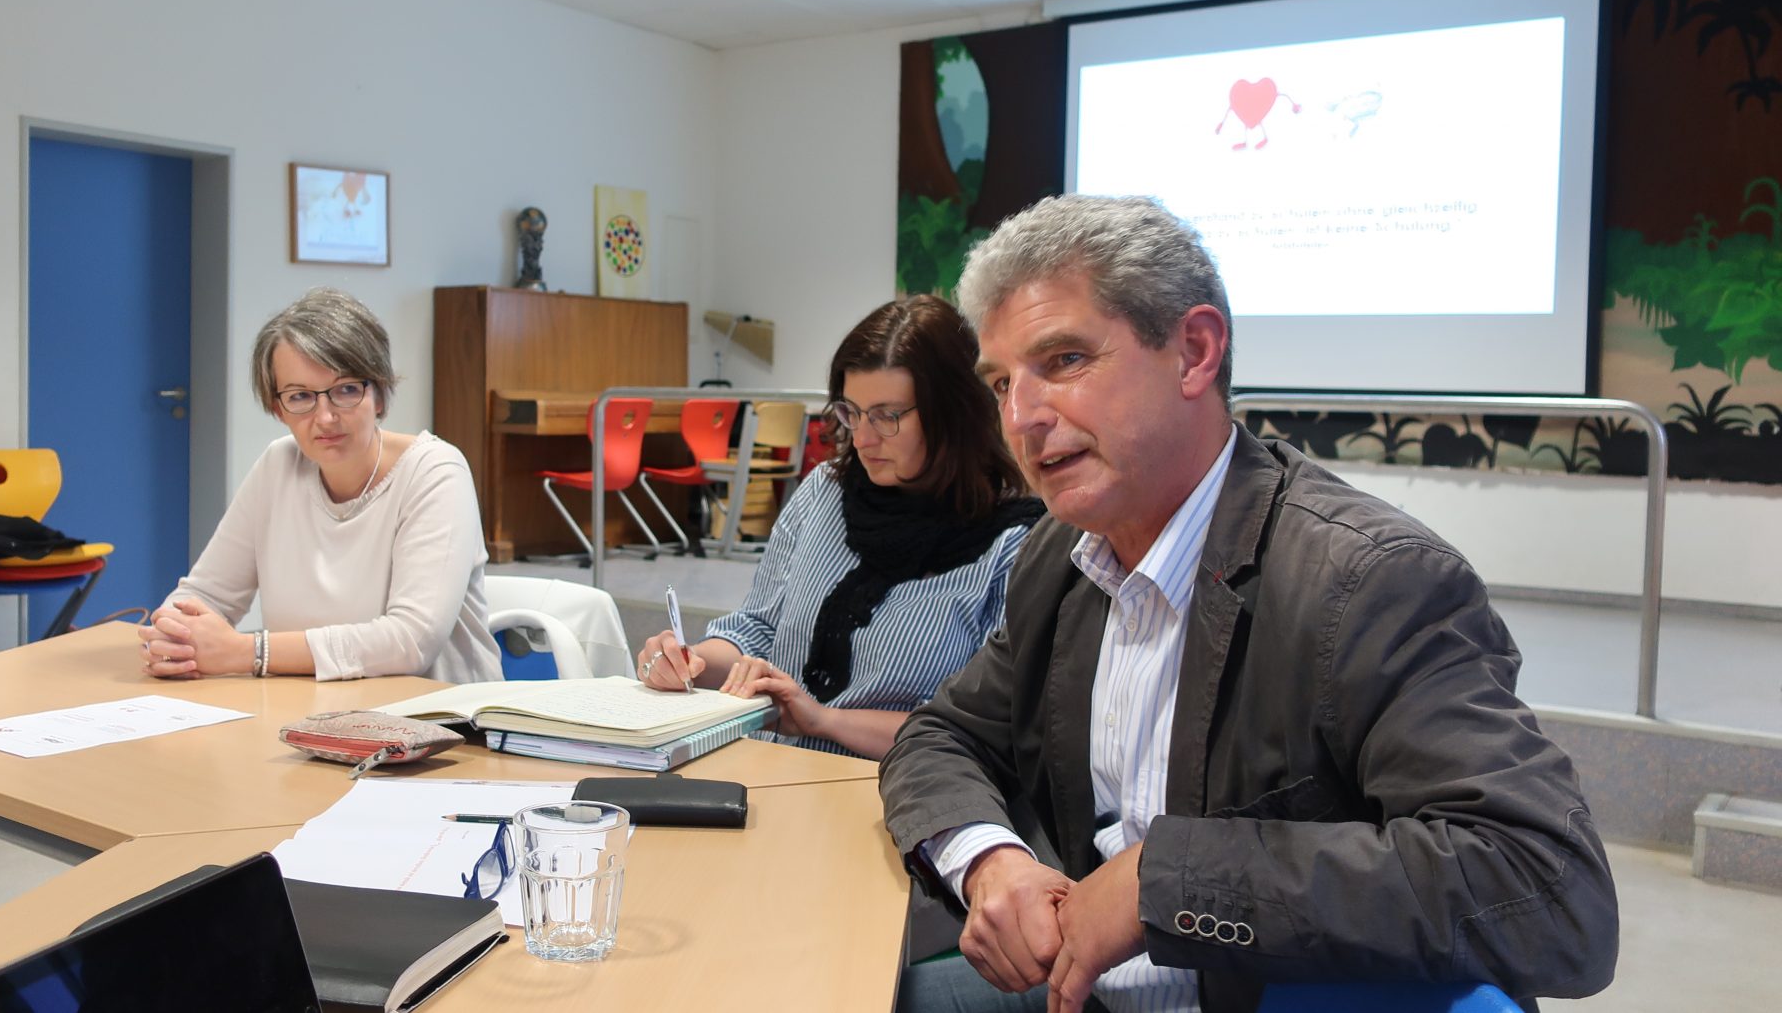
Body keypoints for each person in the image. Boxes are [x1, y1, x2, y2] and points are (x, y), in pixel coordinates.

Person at [881, 196, 1618, 1013]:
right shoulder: (1061, 555)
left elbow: (1551, 892)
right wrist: (991, 861)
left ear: (1194, 352)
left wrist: (1168, 882)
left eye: (1064, 360)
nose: (1020, 418)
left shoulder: (1369, 580)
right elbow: (941, 735)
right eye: (1001, 383)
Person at [636, 295, 1043, 759]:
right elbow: (758, 629)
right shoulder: (826, 490)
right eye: (851, 412)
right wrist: (689, 661)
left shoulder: (1015, 544)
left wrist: (823, 720)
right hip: (774, 769)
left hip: (897, 788)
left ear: (954, 414)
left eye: (887, 417)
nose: (863, 438)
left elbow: (989, 730)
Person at [139, 288, 502, 683]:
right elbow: (206, 594)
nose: (325, 417)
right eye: (300, 396)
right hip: (309, 710)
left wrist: (248, 652)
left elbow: (411, 640)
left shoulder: (435, 471)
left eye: (346, 390)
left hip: (438, 714)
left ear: (380, 395)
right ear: (278, 409)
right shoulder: (278, 466)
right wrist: (174, 636)